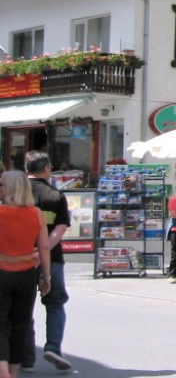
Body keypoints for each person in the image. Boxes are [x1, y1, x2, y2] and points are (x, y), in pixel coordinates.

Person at [21, 151, 71, 373]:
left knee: (22, 307)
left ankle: (26, 357)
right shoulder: (55, 195)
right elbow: (59, 229)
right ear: (47, 169)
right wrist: (43, 251)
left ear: (26, 169)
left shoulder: (15, 195)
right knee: (55, 303)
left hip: (18, 258)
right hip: (53, 258)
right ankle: (53, 347)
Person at [0, 171, 51, 378]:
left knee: (1, 324)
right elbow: (44, 247)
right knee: (21, 325)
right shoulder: (36, 213)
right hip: (26, 274)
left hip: (2, 272)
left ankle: (2, 370)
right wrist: (46, 277)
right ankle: (12, 371)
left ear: (9, 188)